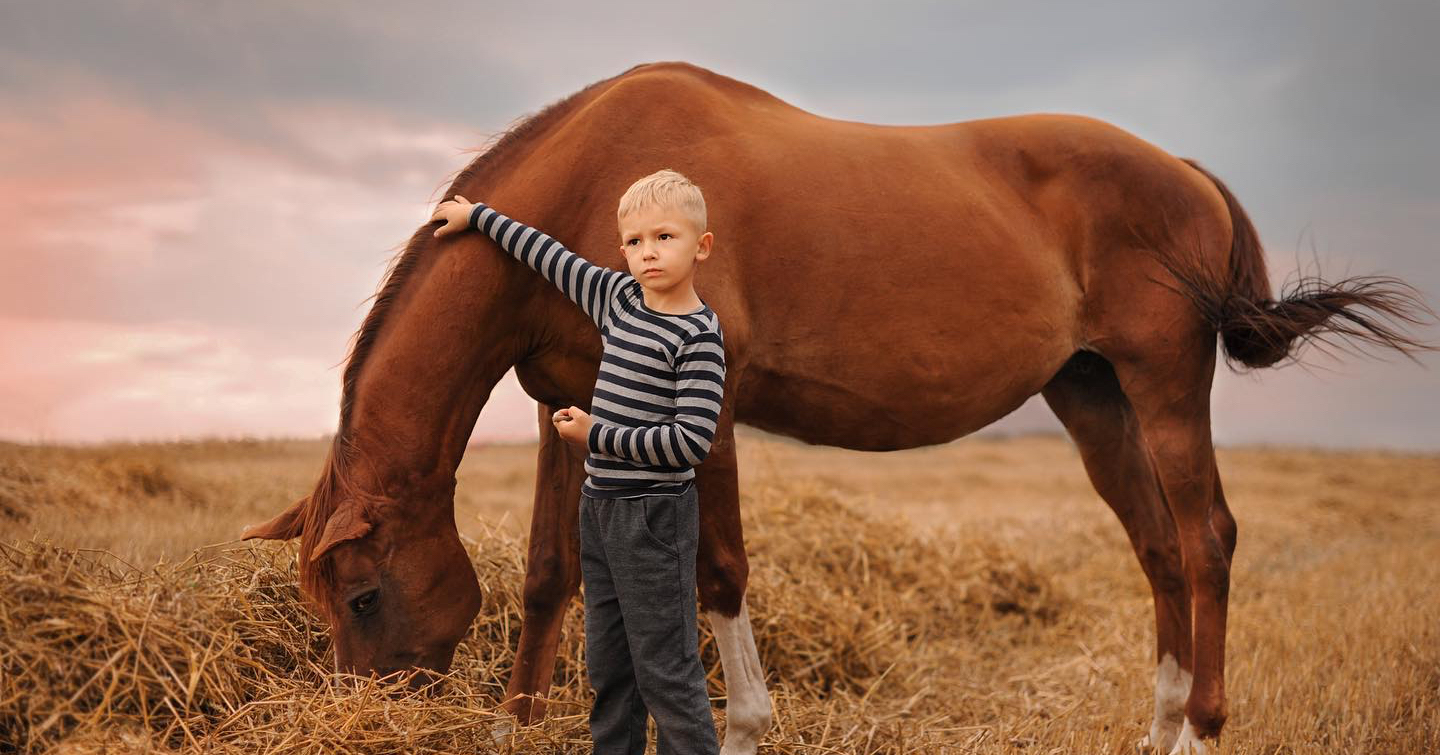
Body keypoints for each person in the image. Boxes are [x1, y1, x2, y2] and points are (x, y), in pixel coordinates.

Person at [430, 168, 725, 755]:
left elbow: (692, 441)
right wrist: (478, 218)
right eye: (635, 242)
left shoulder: (699, 336)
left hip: (656, 516)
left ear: (702, 246)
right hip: (600, 510)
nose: (648, 253)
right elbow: (550, 257)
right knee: (608, 665)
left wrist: (599, 436)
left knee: (665, 670)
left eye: (664, 237)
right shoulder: (618, 300)